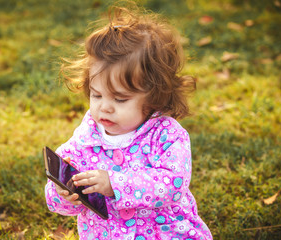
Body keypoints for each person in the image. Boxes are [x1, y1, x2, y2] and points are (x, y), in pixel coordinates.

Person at [45, 6, 212, 240]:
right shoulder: (85, 138)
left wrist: (116, 184)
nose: (105, 107)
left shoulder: (166, 135)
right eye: (97, 95)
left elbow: (173, 184)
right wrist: (62, 194)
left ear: (155, 96)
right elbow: (64, 205)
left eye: (120, 99)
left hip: (165, 234)